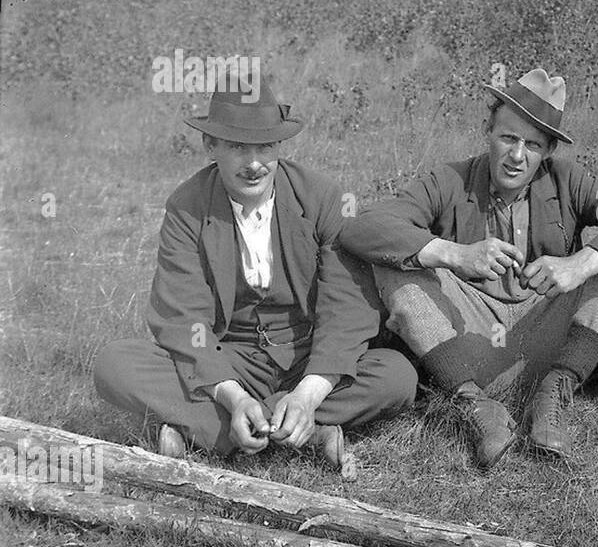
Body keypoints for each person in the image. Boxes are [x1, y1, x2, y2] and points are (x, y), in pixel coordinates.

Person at [340, 68, 598, 468]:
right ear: (488, 131)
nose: (517, 155)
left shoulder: (568, 181)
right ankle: (474, 405)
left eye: (533, 144)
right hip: (466, 340)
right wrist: (454, 253)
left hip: (548, 337)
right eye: (508, 137)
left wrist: (581, 264)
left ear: (548, 152)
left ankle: (554, 395)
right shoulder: (450, 180)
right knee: (396, 260)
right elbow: (361, 225)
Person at [93, 82, 417, 472]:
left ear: (280, 147)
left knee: (396, 375)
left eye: (265, 147)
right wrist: (233, 397)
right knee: (115, 364)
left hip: (305, 354)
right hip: (229, 357)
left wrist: (308, 395)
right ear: (210, 146)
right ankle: (301, 433)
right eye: (238, 147)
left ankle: (217, 431)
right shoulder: (187, 207)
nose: (254, 164)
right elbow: (183, 318)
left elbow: (345, 309)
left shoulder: (321, 197)